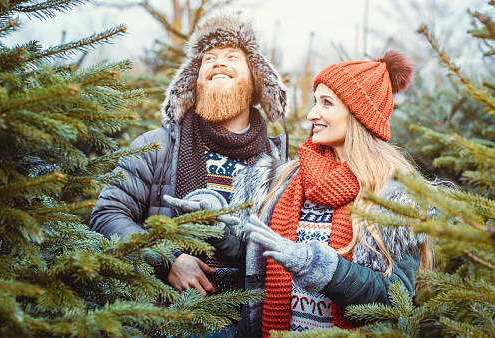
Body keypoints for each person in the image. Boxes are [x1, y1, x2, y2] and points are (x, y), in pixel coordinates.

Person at [201, 51, 433, 337]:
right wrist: (216, 223)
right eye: (315, 102)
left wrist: (323, 269)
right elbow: (253, 257)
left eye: (326, 103)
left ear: (358, 113)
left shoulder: (394, 195)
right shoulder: (284, 178)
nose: (312, 114)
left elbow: (396, 299)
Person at [89, 12, 288, 336]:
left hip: (252, 325)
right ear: (192, 83)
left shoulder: (280, 161)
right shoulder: (156, 146)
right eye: (208, 59)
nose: (218, 63)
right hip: (171, 321)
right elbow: (106, 215)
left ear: (255, 82)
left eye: (232, 57)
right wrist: (166, 260)